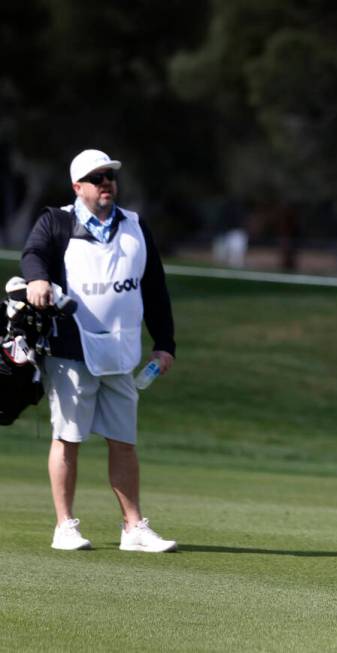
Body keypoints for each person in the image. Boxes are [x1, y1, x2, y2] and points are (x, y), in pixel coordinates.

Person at [21, 149, 177, 553]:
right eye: (96, 177)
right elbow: (33, 255)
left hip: (121, 352)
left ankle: (134, 528)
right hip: (71, 348)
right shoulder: (56, 222)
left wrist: (164, 344)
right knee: (68, 437)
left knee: (123, 441)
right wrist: (37, 280)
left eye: (109, 176)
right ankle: (65, 526)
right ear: (78, 187)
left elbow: (155, 290)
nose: (106, 182)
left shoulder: (135, 226)